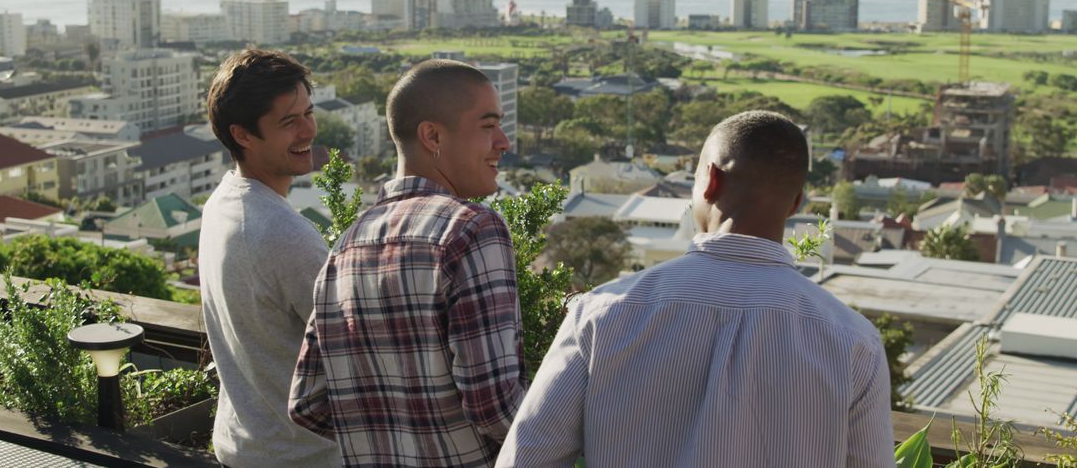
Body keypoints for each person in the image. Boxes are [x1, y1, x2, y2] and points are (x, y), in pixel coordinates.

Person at [497, 111, 895, 468]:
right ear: (797, 203)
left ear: (710, 180)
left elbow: (528, 458)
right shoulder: (854, 342)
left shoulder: (603, 312)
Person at [290, 59, 526, 467]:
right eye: (488, 126)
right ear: (432, 135)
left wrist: (387, 438)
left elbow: (307, 403)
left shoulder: (346, 244)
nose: (503, 141)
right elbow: (497, 407)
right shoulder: (471, 230)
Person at [199, 49, 342, 467]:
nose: (308, 130)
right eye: (288, 121)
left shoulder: (221, 203)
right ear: (243, 134)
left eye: (309, 113)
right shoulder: (283, 233)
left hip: (244, 443)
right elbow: (355, 349)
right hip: (299, 456)